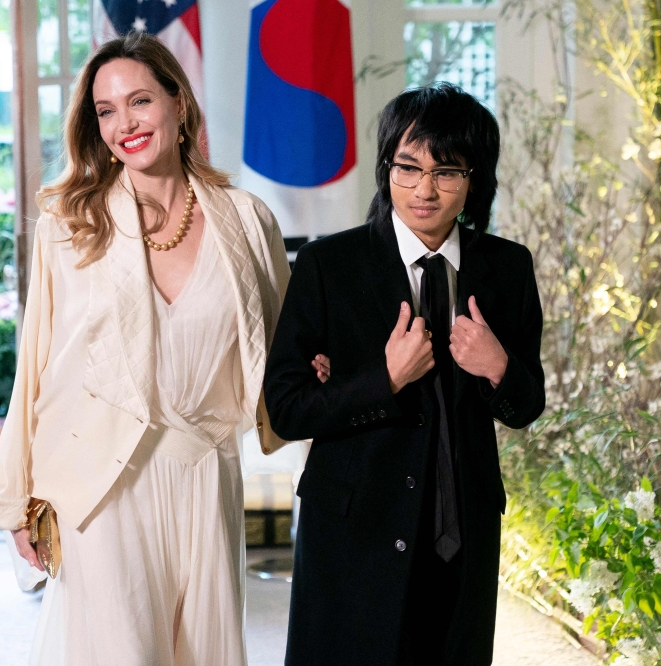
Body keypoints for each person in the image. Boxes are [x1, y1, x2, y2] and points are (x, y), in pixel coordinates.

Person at [0, 33, 289, 666]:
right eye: (105, 110)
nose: (124, 123)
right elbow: (33, 364)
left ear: (180, 104)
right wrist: (17, 500)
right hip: (102, 480)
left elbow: (286, 352)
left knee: (203, 653)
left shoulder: (247, 219)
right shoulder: (71, 223)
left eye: (140, 100)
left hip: (207, 472)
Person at [263, 83, 546, 665]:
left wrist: (497, 366)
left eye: (447, 172)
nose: (424, 189)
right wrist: (382, 379)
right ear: (385, 167)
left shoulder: (508, 268)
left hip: (462, 534)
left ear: (474, 179)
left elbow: (527, 404)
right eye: (408, 167)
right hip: (354, 533)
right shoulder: (328, 266)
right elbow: (287, 408)